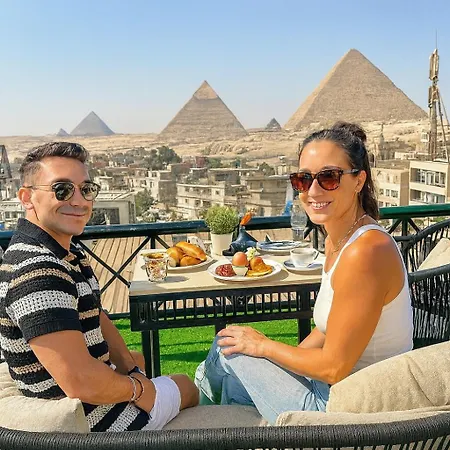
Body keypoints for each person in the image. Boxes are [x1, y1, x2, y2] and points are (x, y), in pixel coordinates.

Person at [195, 122, 413, 424]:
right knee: (232, 362)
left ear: (359, 180)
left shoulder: (366, 251)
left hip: (351, 413)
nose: (313, 190)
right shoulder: (339, 241)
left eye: (329, 177)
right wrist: (282, 361)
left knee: (225, 350)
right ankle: (221, 429)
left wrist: (264, 346)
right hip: (335, 391)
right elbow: (327, 331)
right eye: (303, 179)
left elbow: (334, 366)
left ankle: (202, 429)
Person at [0, 142, 198, 432]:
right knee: (187, 386)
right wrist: (139, 389)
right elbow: (81, 381)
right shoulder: (38, 271)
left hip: (99, 406)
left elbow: (96, 314)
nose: (79, 201)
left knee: (139, 360)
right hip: (103, 427)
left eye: (86, 189)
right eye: (62, 190)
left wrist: (132, 369)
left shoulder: (65, 253)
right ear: (26, 197)